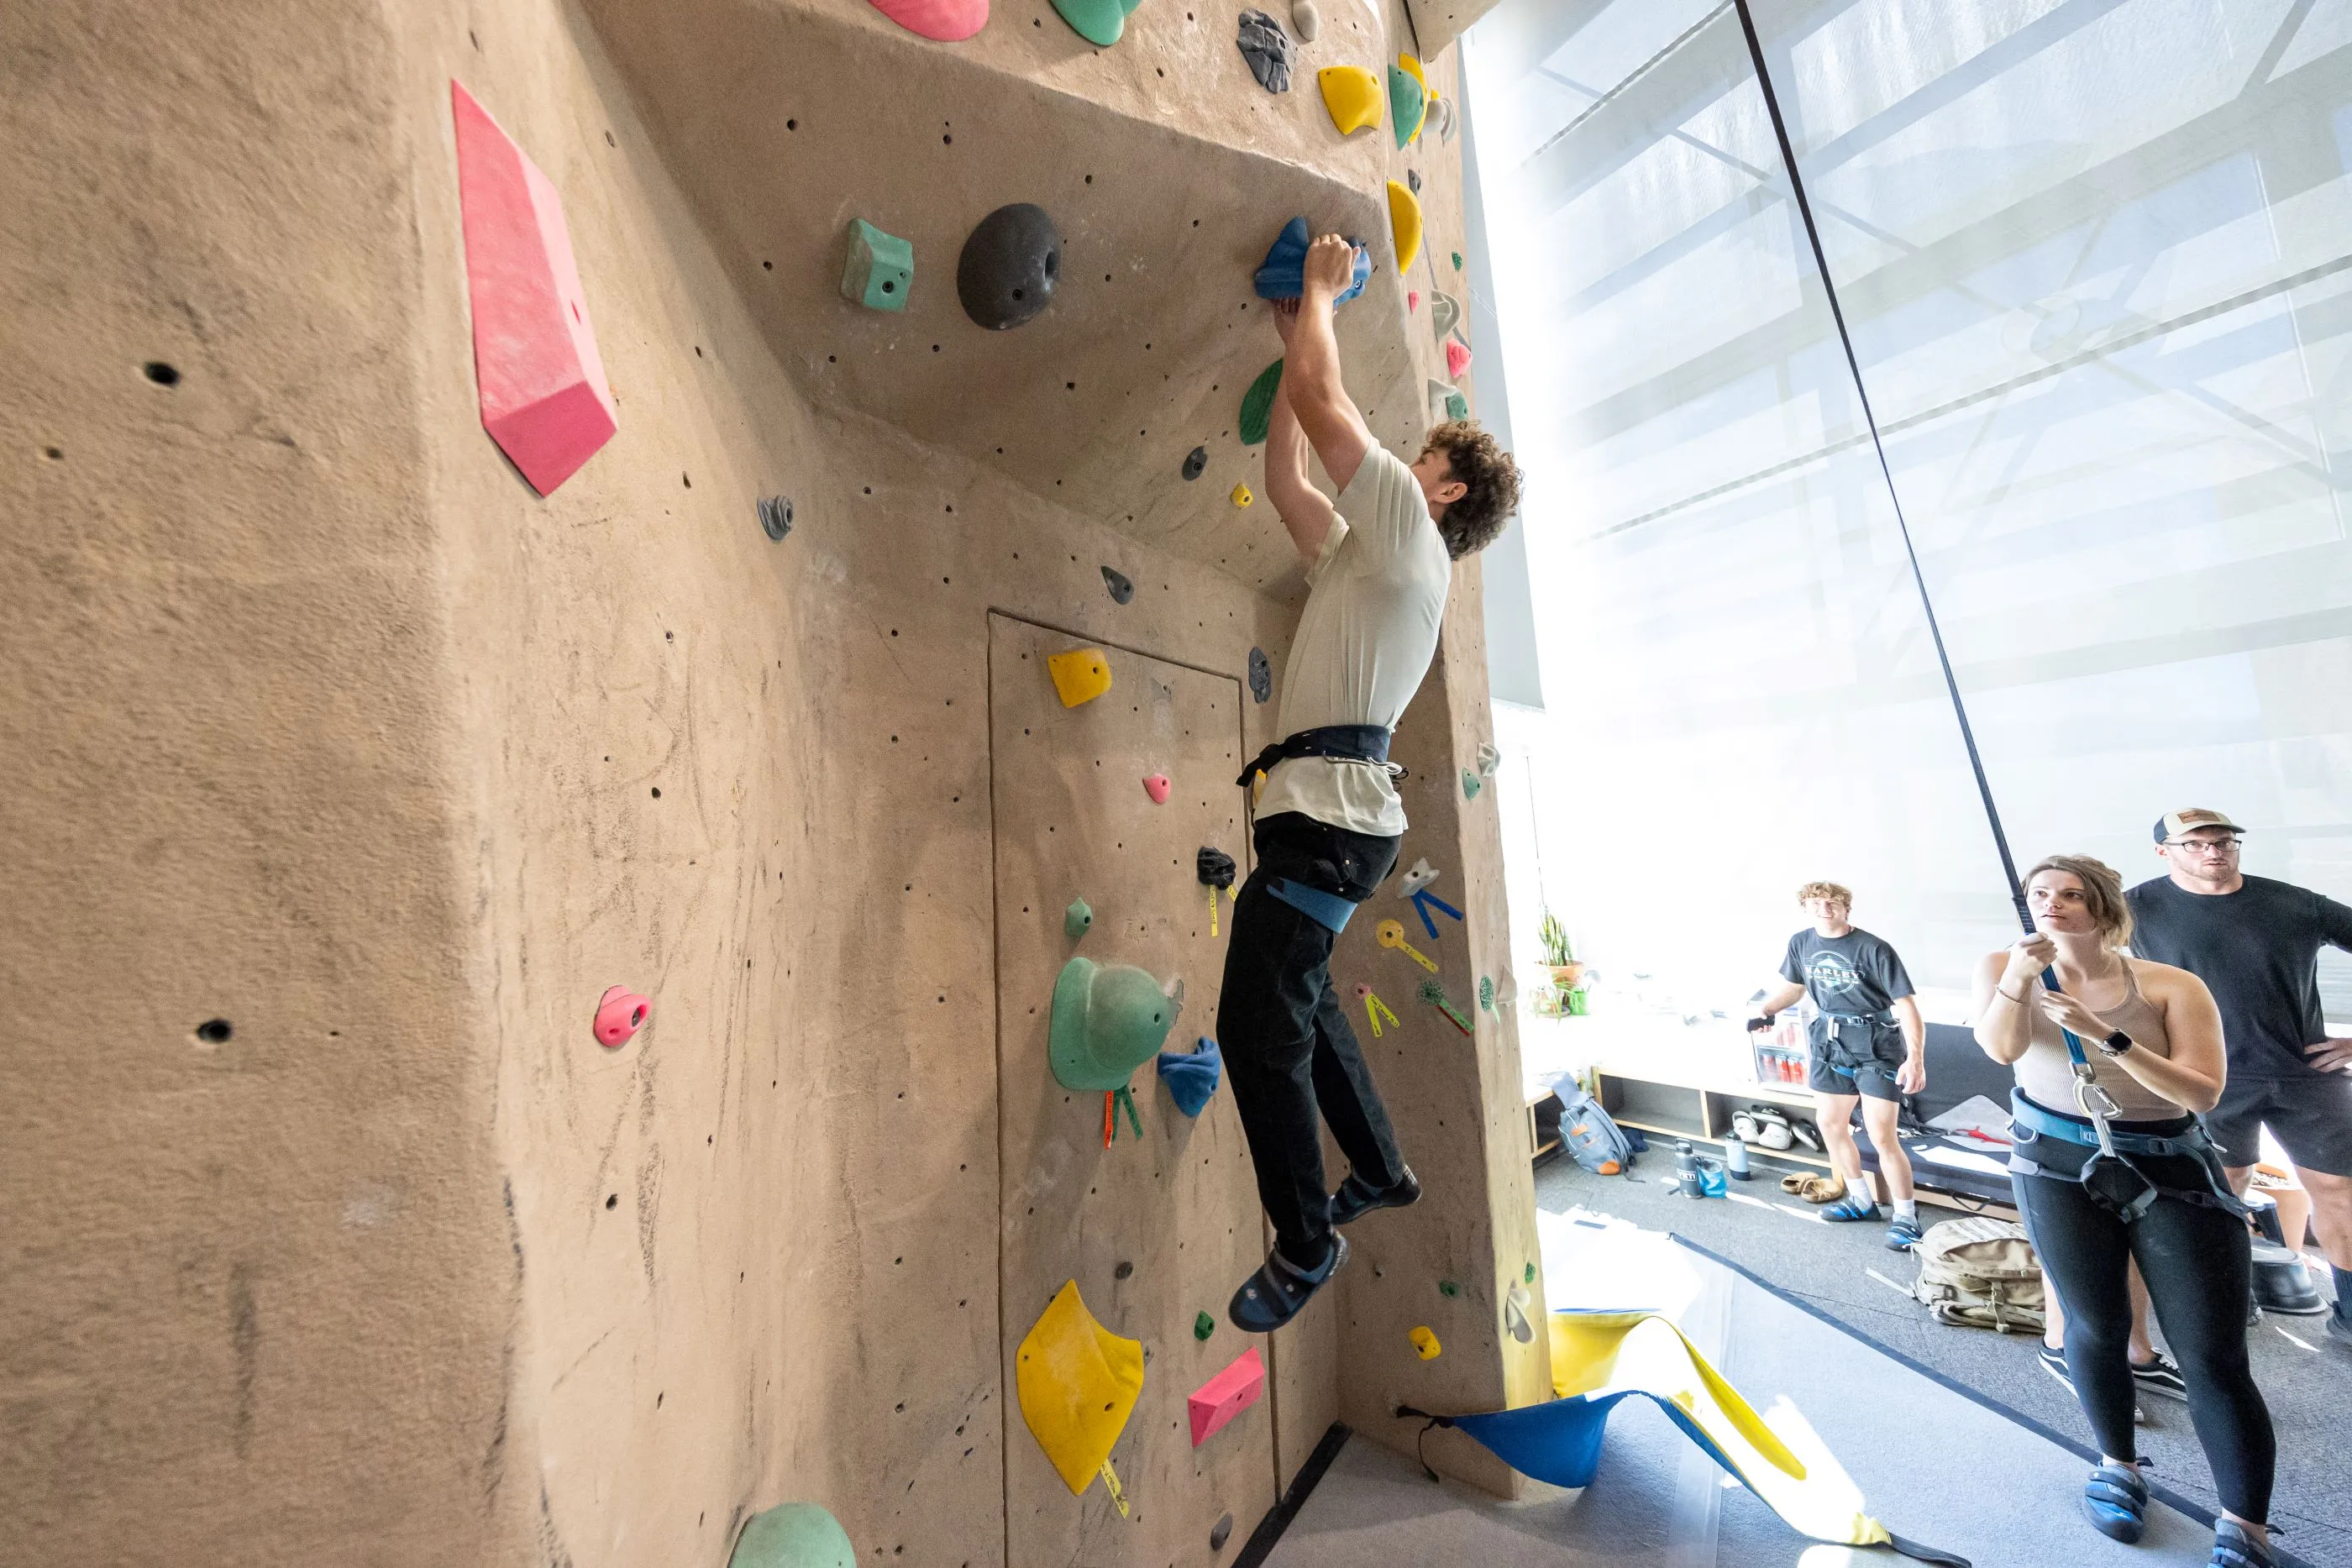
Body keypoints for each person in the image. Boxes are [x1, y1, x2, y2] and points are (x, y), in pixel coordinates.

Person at [1217, 233, 1522, 1333]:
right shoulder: (1367, 550)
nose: (1401, 456)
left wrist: (1322, 298)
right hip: (1331, 817)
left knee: (1258, 1026)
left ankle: (1306, 1242)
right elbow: (1283, 474)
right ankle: (1382, 1168)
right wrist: (1296, 327)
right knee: (1305, 997)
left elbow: (1319, 390)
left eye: (1418, 453)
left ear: (1441, 485)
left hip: (1329, 819)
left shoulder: (1407, 527)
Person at [1973, 856, 2275, 1568]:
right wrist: (2019, 979)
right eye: (2040, 894)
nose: (2053, 905)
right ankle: (2117, 1464)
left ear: (2102, 908)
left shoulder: (2172, 985)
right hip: (2053, 1162)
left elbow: (2201, 1093)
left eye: (2071, 895)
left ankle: (2246, 1525)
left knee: (2210, 1351)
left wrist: (2107, 1035)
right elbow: (2001, 1047)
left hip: (2167, 1164)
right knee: (2095, 1323)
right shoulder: (2001, 964)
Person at [2125, 807, 2352, 1350]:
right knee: (2223, 1191)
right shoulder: (2135, 908)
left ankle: (2349, 1316)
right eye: (2196, 842)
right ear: (2166, 851)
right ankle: (2229, 1298)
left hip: (2304, 1072)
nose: (2213, 850)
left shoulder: (2294, 904)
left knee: (2339, 1191)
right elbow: (2075, 962)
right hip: (2205, 1075)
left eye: (2223, 840)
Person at [1747, 882, 1927, 1249]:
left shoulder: (1874, 948)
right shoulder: (1801, 943)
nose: (1824, 909)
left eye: (1832, 903)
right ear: (1806, 909)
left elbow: (1906, 1006)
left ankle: (1906, 1216)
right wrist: (1767, 1010)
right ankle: (1862, 1201)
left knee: (1881, 1136)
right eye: (1815, 903)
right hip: (1828, 1041)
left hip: (1875, 1044)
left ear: (1847, 908)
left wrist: (1915, 1059)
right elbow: (1796, 988)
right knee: (1830, 1125)